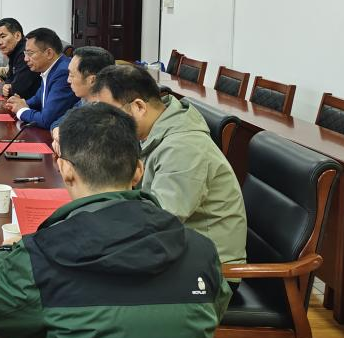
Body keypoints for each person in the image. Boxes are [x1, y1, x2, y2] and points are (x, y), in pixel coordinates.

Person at [0, 103, 230, 338]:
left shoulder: (41, 255)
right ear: (138, 171)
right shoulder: (201, 250)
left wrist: (8, 248)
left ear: (65, 169)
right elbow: (216, 309)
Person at [92, 64, 247, 266]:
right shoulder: (155, 131)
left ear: (139, 107)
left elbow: (159, 220)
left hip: (209, 269)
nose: (107, 123)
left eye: (110, 115)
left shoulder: (184, 148)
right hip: (176, 250)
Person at [3, 27, 76, 129]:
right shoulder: (51, 68)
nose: (25, 59)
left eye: (30, 53)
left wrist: (21, 110)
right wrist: (22, 103)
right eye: (25, 53)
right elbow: (39, 98)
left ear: (49, 53)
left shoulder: (63, 72)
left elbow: (47, 120)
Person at [0, 17, 40, 100]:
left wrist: (8, 87)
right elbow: (9, 78)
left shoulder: (25, 53)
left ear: (17, 36)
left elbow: (17, 89)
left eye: (3, 36)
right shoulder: (14, 51)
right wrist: (7, 86)